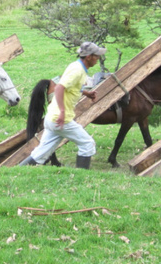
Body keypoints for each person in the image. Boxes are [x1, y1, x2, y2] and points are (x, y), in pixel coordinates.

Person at [20, 41, 106, 169]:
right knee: (87, 143)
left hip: (52, 118)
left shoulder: (77, 66)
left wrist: (87, 93)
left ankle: (18, 171)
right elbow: (59, 88)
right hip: (60, 119)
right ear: (89, 57)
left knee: (40, 153)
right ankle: (81, 176)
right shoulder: (77, 71)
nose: (98, 58)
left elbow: (71, 87)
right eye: (96, 55)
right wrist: (62, 111)